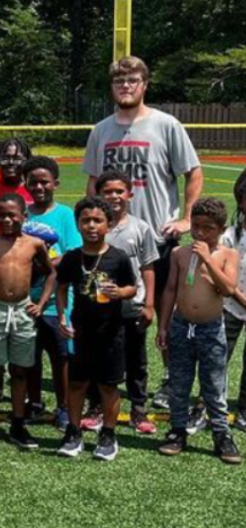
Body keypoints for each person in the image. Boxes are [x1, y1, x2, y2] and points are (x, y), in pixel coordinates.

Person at [82, 56, 203, 409]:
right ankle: (103, 382)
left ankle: (169, 383)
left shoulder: (166, 125)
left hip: (156, 239)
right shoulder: (101, 130)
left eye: (133, 80)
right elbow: (92, 181)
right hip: (111, 242)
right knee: (106, 314)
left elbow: (192, 172)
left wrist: (187, 220)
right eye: (119, 81)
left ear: (144, 84)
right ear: (112, 87)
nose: (126, 86)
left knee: (164, 315)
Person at [157, 198, 241, 464]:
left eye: (208, 228)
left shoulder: (229, 254)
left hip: (211, 328)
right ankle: (177, 430)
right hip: (182, 326)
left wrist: (207, 259)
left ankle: (222, 434)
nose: (200, 233)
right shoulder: (179, 254)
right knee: (179, 383)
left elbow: (228, 290)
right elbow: (170, 289)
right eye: (196, 226)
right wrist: (164, 325)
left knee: (214, 384)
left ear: (221, 228)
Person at [0, 195, 55, 451]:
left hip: (22, 310)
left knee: (20, 370)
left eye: (12, 215)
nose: (7, 219)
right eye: (2, 214)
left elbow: (50, 272)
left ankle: (18, 423)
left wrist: (40, 304)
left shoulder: (35, 244)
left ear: (23, 217)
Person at [54, 198, 137, 461]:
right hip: (81, 332)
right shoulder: (71, 257)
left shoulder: (118, 257)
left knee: (108, 386)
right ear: (78, 224)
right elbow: (61, 287)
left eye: (98, 220)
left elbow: (132, 287)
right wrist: (62, 318)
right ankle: (73, 432)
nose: (91, 225)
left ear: (109, 224)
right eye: (86, 220)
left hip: (111, 333)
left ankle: (108, 435)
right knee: (77, 384)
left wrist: (119, 292)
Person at [97, 169, 159, 434]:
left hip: (133, 306)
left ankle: (138, 408)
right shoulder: (95, 224)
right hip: (101, 306)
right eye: (108, 191)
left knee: (136, 359)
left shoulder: (140, 227)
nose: (114, 196)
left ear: (130, 194)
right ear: (99, 195)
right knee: (101, 357)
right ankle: (97, 406)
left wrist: (149, 304)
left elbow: (148, 267)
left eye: (119, 191)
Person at [22, 156, 80, 427]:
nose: (39, 187)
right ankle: (34, 403)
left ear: (55, 183)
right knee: (29, 356)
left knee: (61, 357)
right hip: (24, 299)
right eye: (33, 182)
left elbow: (72, 254)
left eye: (44, 181)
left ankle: (64, 407)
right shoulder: (22, 213)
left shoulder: (65, 214)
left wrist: (41, 263)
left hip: (57, 301)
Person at [221, 169, 246, 431]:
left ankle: (244, 410)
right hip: (230, 306)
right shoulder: (231, 235)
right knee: (219, 359)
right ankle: (208, 404)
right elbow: (221, 274)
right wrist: (239, 296)